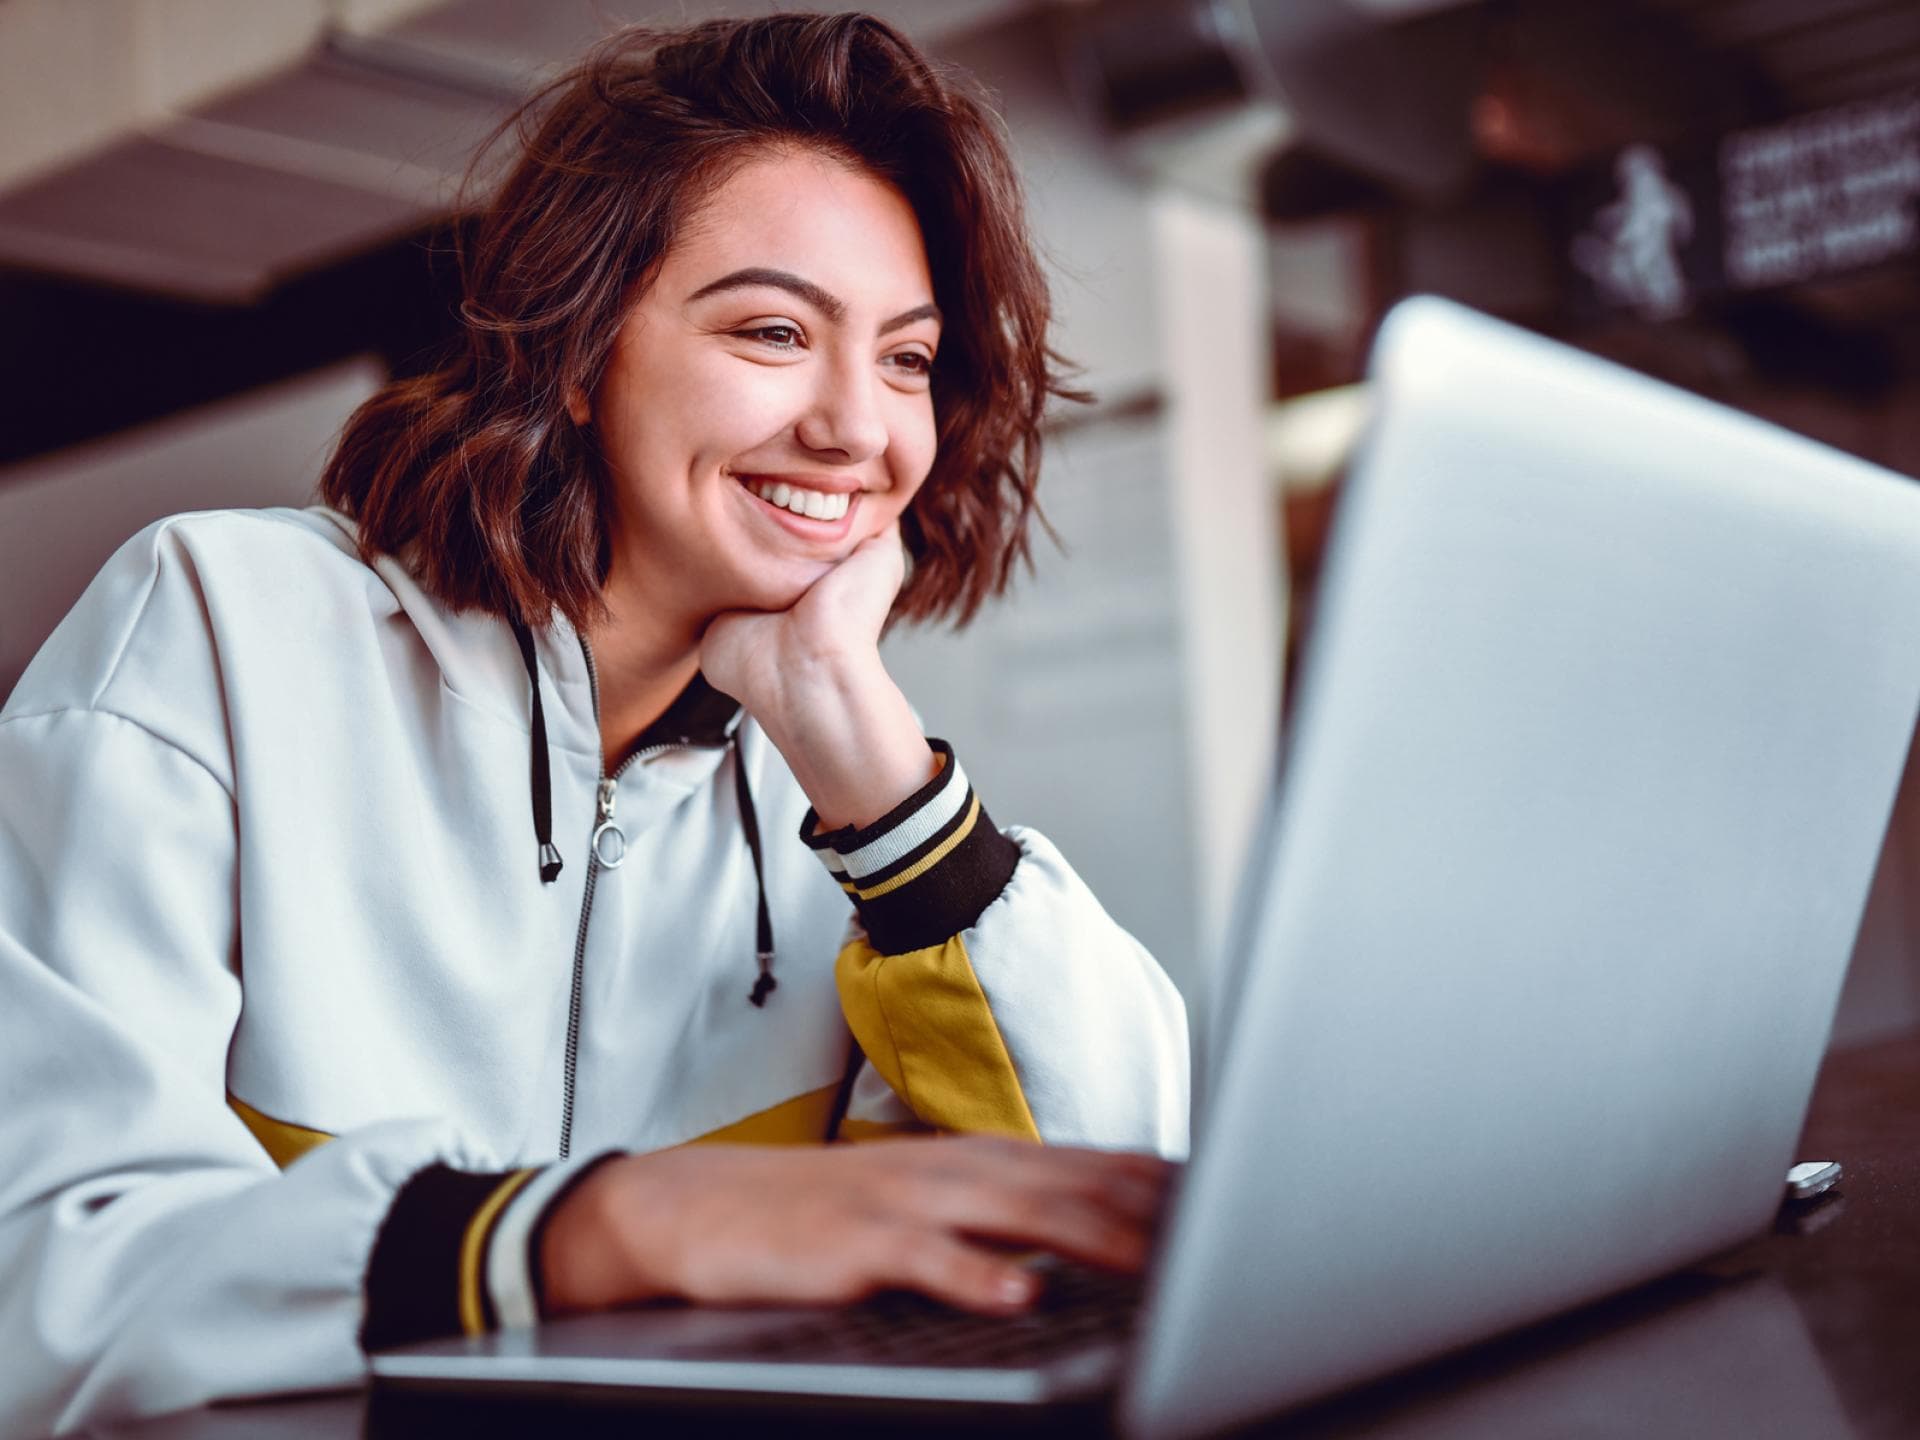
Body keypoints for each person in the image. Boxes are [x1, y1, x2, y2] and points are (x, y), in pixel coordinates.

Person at [0, 12, 1189, 1434]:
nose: (856, 430)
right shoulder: (218, 623)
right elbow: (44, 1285)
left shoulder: (852, 803)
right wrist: (595, 1230)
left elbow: (1104, 1216)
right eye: (773, 331)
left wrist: (862, 748)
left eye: (908, 360)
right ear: (579, 350)